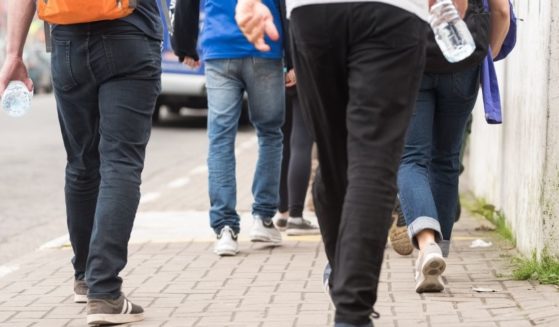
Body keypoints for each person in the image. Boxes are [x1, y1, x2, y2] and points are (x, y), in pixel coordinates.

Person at [235, 0, 455, 326]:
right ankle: (351, 312)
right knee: (372, 165)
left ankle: (345, 286)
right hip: (393, 13)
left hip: (315, 13)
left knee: (337, 163)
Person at [0, 0, 162, 325]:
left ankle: (85, 277)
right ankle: (104, 292)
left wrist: (13, 54)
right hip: (129, 35)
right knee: (119, 162)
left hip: (67, 43)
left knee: (81, 164)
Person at [395, 0, 511, 293]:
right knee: (446, 161)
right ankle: (438, 255)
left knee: (411, 159)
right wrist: (488, 52)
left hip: (412, 59)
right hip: (463, 62)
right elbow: (501, 12)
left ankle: (427, 245)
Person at [171, 0, 286, 256]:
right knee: (269, 134)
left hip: (220, 48)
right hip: (266, 46)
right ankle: (263, 219)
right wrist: (294, 57)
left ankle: (225, 228)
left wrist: (185, 45)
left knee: (220, 138)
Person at [273, 3, 319, 236]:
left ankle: (281, 212)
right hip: (301, 64)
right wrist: (295, 64)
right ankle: (295, 215)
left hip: (275, 64)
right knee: (301, 141)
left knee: (281, 141)